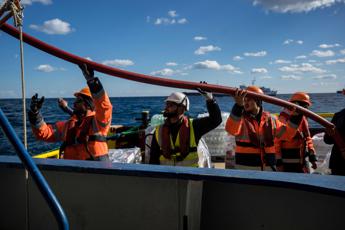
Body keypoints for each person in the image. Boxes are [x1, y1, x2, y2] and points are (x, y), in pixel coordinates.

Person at [28, 64, 113, 161]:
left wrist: (91, 80)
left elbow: (104, 106)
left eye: (78, 101)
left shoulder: (98, 123)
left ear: (88, 104)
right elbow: (43, 133)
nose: (74, 103)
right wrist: (35, 114)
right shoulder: (67, 126)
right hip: (72, 173)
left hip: (96, 173)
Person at [225, 86, 303, 171]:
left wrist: (296, 117)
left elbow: (287, 134)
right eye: (244, 100)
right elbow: (231, 130)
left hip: (268, 170)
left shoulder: (271, 120)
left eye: (248, 100)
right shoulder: (240, 119)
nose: (245, 103)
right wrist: (238, 106)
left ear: (258, 101)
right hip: (245, 172)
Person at [148, 89, 222, 166]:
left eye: (170, 105)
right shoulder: (158, 130)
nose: (166, 108)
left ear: (181, 108)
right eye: (166, 104)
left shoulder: (194, 126)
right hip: (167, 176)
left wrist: (210, 99)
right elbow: (153, 158)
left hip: (189, 175)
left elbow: (216, 120)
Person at [276, 92, 317, 173]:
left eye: (306, 106)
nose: (306, 108)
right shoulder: (283, 117)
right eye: (304, 105)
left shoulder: (302, 117)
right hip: (287, 162)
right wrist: (278, 161)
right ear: (296, 104)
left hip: (302, 161)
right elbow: (277, 140)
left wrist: (312, 156)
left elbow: (307, 137)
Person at [324, 108, 345, 175]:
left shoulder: (339, 115)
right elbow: (327, 139)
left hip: (338, 162)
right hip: (338, 162)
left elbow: (327, 140)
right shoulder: (338, 115)